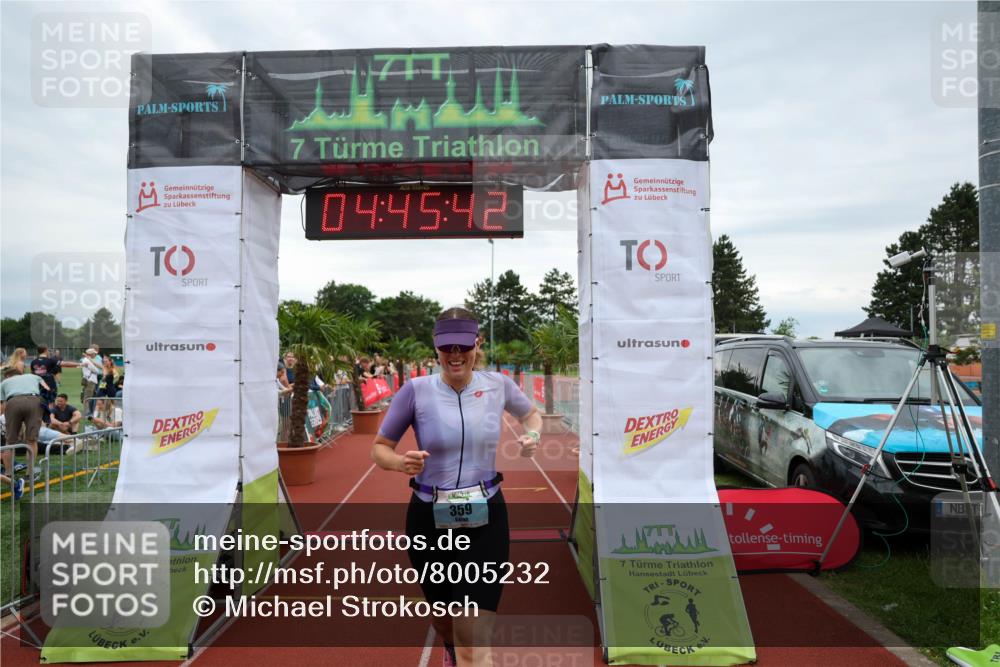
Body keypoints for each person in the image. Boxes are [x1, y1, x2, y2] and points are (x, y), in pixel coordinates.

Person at [371, 307, 542, 667]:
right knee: (445, 621)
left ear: (477, 344)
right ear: (435, 348)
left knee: (473, 640)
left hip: (486, 520)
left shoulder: (498, 385)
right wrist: (401, 462)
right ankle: (449, 645)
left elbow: (531, 414)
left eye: (463, 346)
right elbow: (380, 449)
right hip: (428, 522)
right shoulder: (415, 391)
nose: (455, 354)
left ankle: (462, 652)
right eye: (446, 346)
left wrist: (533, 435)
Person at [0, 367, 48, 493]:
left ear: (8, 376)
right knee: (32, 440)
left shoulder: (4, 383)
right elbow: (47, 388)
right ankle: (29, 474)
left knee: (9, 442)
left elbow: (3, 404)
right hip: (34, 400)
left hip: (13, 402)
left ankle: (9, 474)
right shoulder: (33, 376)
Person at [30, 345, 61, 416]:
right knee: (51, 402)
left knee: (38, 402)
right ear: (45, 350)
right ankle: (49, 420)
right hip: (49, 385)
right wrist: (80, 364)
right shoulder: (51, 360)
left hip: (38, 385)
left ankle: (39, 418)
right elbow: (63, 364)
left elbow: (32, 374)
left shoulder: (33, 362)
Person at [79, 348, 101, 417]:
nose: (95, 354)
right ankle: (86, 413)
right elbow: (96, 370)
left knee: (88, 396)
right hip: (90, 380)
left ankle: (87, 412)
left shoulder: (87, 360)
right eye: (94, 353)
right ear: (91, 354)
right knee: (87, 397)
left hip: (89, 379)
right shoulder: (87, 360)